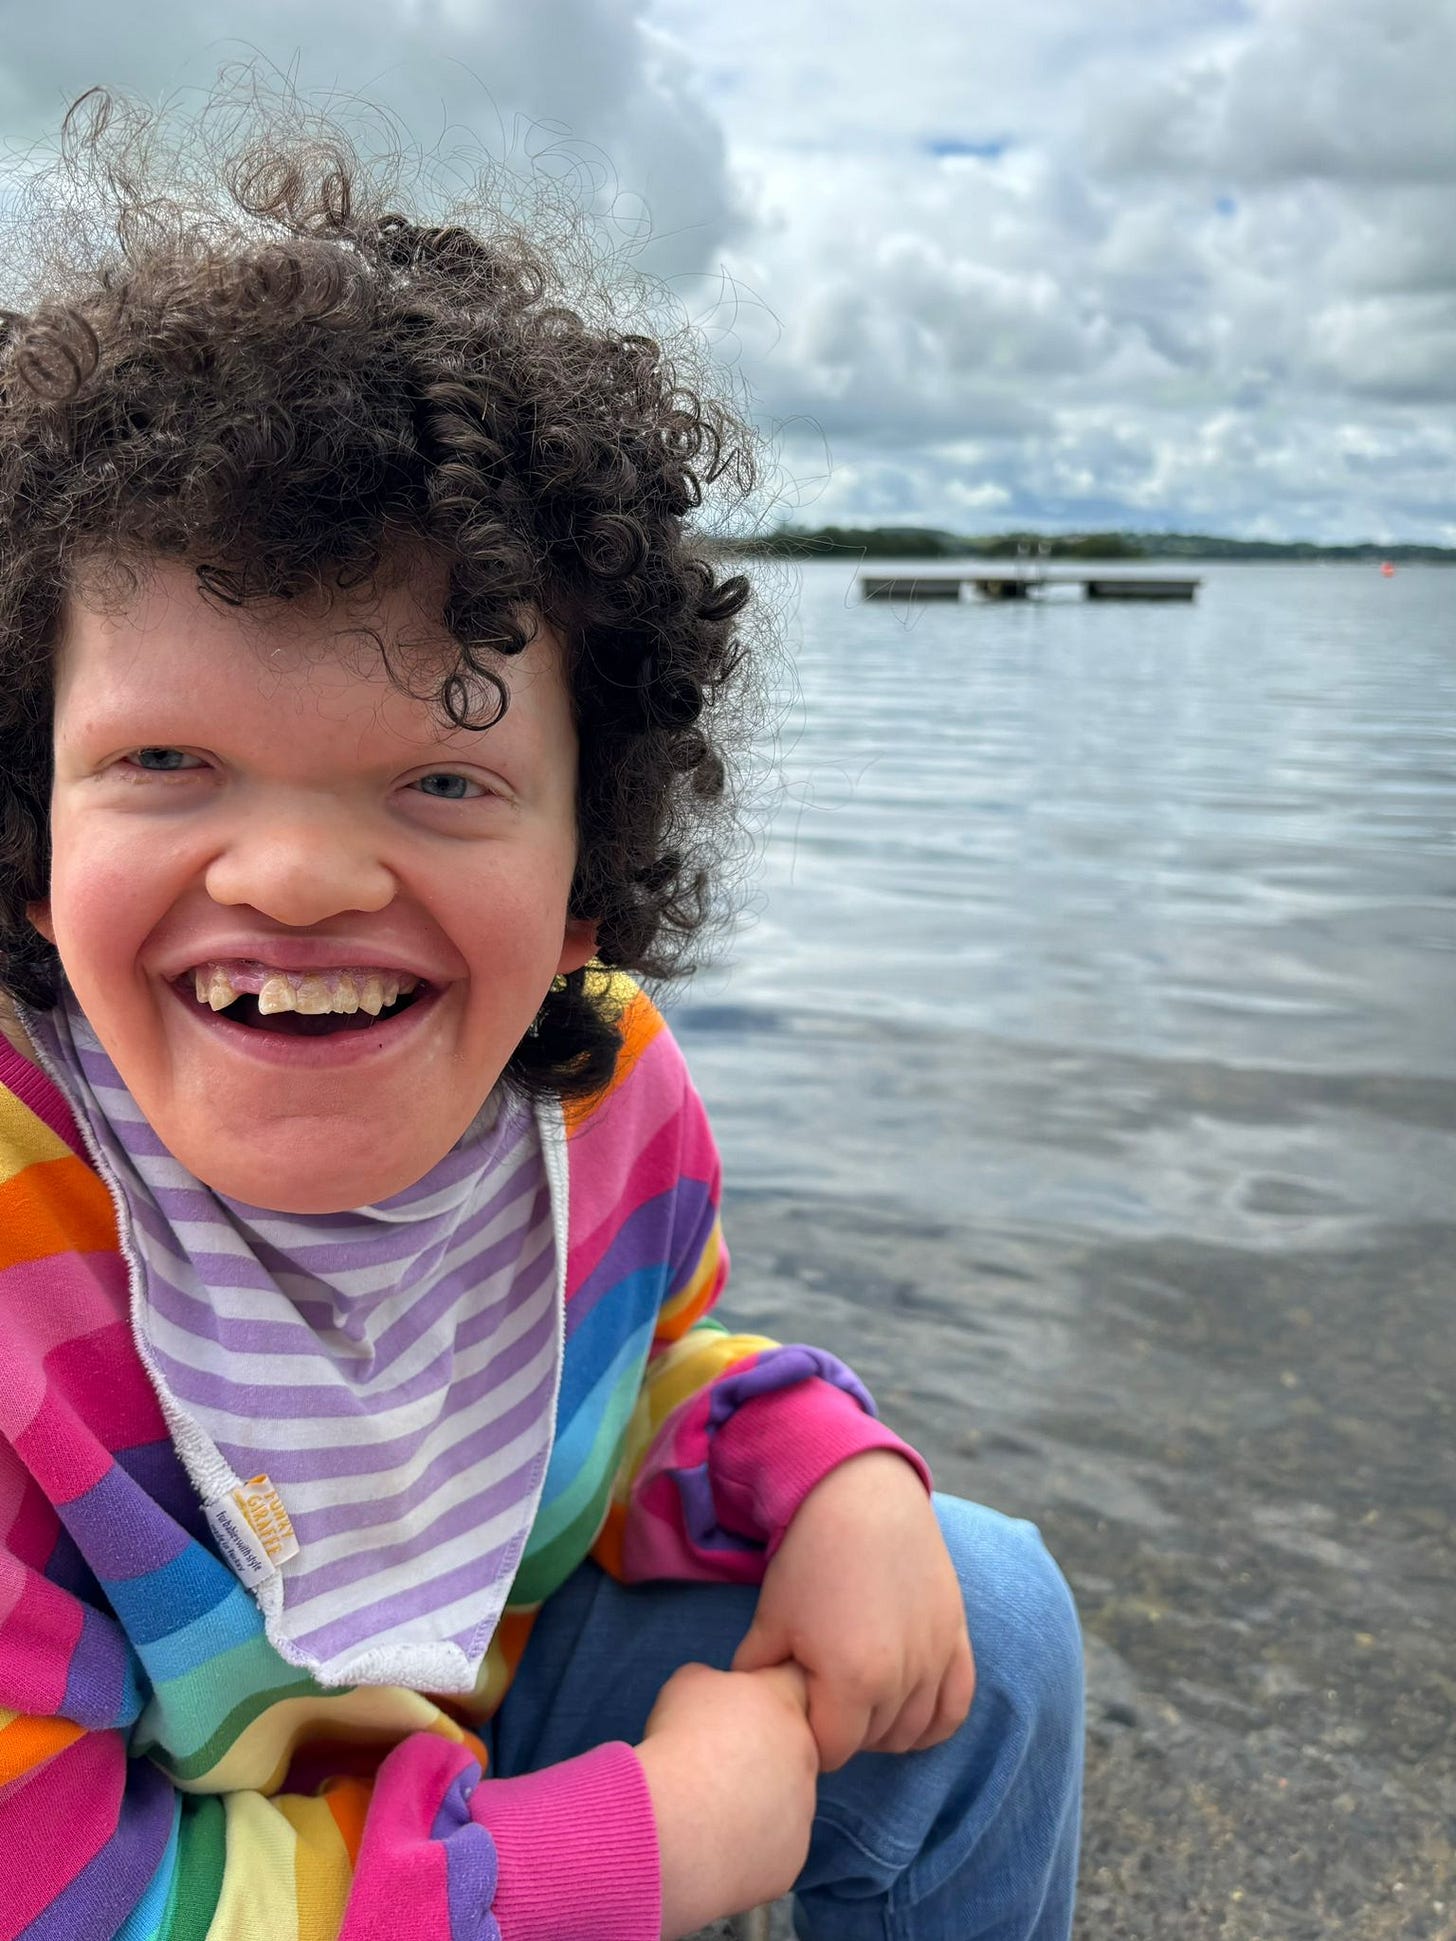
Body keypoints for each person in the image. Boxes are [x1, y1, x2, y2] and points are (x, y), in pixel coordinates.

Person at [0, 84, 1084, 1941]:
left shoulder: (602, 1103)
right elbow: (60, 1897)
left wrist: (811, 1463)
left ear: (591, 879)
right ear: (31, 833)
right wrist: (644, 1847)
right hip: (144, 1857)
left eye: (443, 779)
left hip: (458, 1738)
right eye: (169, 759)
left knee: (982, 1616)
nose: (298, 878)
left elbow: (626, 1381)